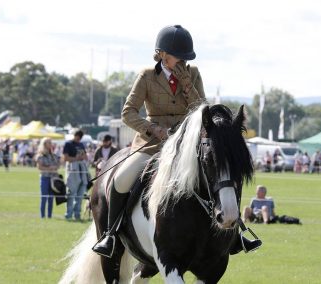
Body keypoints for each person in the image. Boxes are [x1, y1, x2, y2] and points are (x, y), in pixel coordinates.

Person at [93, 25, 261, 258]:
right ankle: (110, 235)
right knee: (121, 180)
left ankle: (234, 234)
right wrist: (151, 128)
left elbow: (204, 111)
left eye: (185, 57)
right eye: (177, 56)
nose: (182, 61)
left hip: (186, 145)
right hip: (153, 143)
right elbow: (128, 112)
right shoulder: (147, 76)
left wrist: (187, 85)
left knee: (220, 174)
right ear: (162, 54)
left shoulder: (192, 74)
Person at [63, 130, 89, 221]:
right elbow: (65, 158)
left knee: (80, 195)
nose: (78, 139)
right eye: (77, 137)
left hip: (82, 170)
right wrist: (75, 158)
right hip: (72, 170)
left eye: (79, 138)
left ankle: (77, 214)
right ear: (74, 135)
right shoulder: (68, 144)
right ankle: (68, 214)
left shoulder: (81, 145)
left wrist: (83, 157)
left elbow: (85, 157)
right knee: (71, 193)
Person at [36, 137, 60, 218]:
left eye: (51, 142)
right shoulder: (40, 155)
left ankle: (49, 216)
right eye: (49, 143)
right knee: (44, 198)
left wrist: (55, 167)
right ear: (44, 144)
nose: (51, 144)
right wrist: (50, 168)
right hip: (44, 178)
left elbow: (58, 165)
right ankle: (42, 216)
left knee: (51, 198)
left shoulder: (53, 155)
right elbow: (39, 167)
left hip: (53, 179)